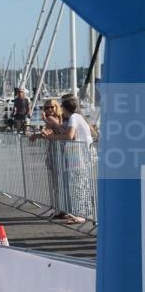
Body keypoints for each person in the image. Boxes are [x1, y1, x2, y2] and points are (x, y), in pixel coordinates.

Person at [41, 94, 95, 225]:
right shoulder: (78, 117)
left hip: (78, 153)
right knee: (78, 184)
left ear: (65, 108)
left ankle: (81, 215)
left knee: (78, 184)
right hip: (78, 153)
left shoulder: (74, 117)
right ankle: (80, 213)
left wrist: (52, 137)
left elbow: (70, 136)